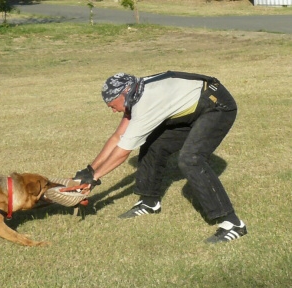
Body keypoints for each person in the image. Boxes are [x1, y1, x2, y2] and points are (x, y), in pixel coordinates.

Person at [73, 71, 247, 243]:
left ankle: (233, 223)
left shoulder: (145, 104)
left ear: (124, 94)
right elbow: (118, 136)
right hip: (191, 108)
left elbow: (123, 151)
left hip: (216, 106)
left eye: (112, 105)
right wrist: (90, 170)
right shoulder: (135, 93)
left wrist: (95, 178)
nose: (113, 110)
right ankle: (150, 202)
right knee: (155, 144)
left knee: (190, 159)